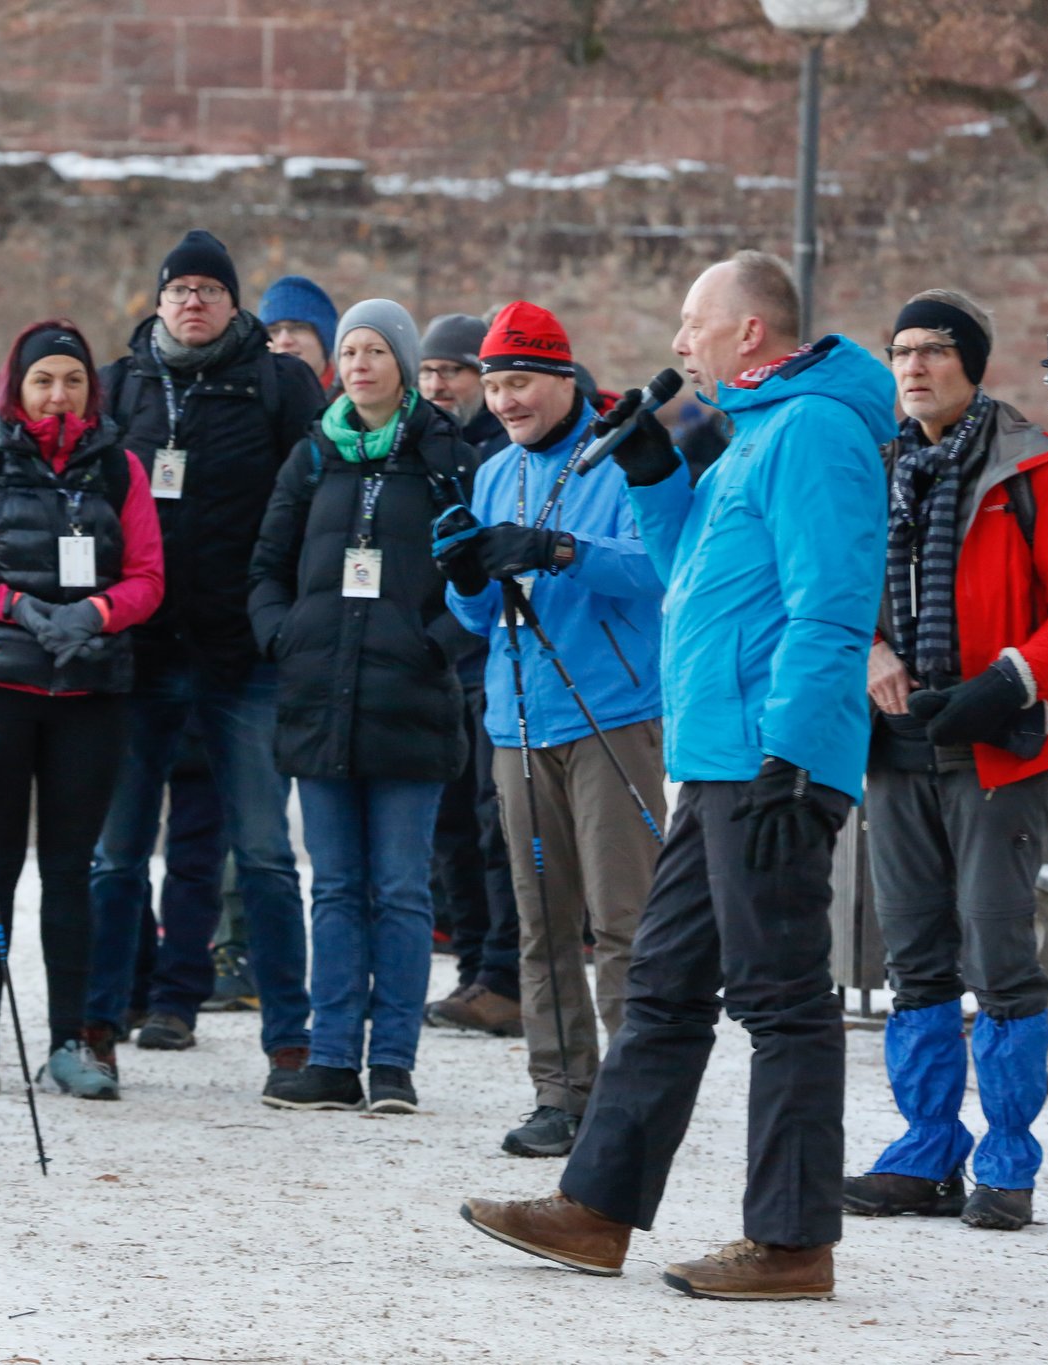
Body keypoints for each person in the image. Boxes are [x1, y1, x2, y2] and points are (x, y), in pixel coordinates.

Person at [460, 251, 892, 1300]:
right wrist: (655, 478)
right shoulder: (754, 433)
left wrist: (793, 751)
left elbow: (831, 602)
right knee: (661, 990)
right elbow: (686, 573)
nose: (677, 342)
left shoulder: (814, 429)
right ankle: (597, 1207)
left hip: (769, 760)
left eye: (693, 322)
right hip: (716, 759)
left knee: (781, 999)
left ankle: (791, 1242)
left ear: (749, 332)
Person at [843, 290, 1048, 1230]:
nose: (913, 366)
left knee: (999, 952)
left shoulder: (1037, 468)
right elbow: (836, 587)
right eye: (900, 351)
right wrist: (871, 652)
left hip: (999, 745)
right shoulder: (876, 468)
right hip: (895, 744)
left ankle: (1007, 1159)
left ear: (972, 362)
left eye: (934, 349)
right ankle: (926, 1150)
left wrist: (1007, 680)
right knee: (915, 954)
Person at [87, 229, 327, 1102]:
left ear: (234, 303)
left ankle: (290, 1039)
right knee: (115, 856)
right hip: (138, 654)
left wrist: (280, 622)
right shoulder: (119, 384)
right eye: (180, 288)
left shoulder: (280, 384)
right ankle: (95, 1028)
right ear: (158, 301)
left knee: (264, 855)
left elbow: (312, 507)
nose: (194, 301)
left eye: (210, 289)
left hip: (241, 657)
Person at [435, 301, 666, 1157]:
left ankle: (636, 1101)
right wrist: (464, 572)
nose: (506, 400)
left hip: (612, 716)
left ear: (564, 378)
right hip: (517, 723)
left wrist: (560, 550)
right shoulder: (495, 470)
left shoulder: (620, 454)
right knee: (540, 922)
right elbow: (475, 617)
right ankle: (561, 1092)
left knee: (622, 919)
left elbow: (657, 568)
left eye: (522, 382)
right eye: (495, 384)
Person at [248, 299, 471, 1113]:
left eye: (376, 351)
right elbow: (267, 563)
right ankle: (334, 1058)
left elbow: (476, 575)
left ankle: (394, 1064)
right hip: (321, 697)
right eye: (349, 352)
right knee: (336, 886)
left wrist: (433, 644)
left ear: (403, 364)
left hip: (410, 700)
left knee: (401, 890)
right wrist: (283, 634)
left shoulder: (446, 455)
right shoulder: (313, 454)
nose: (360, 365)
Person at [0, 320, 165, 1101]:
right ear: (18, 387)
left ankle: (69, 1041)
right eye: (43, 380)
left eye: (72, 380)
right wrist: (16, 605)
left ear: (91, 390)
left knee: (71, 869)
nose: (58, 394)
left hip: (89, 689)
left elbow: (147, 575)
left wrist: (95, 612)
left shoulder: (120, 467)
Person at [416, 309, 522, 1037]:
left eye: (453, 370)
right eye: (428, 370)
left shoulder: (503, 455)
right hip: (439, 662)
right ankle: (474, 968)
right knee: (450, 826)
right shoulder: (420, 448)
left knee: (496, 824)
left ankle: (505, 975)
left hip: (488, 661)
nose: (438, 384)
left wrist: (443, 638)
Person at [417, 312, 506, 449]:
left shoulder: (515, 447)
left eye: (449, 370)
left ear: (484, 378)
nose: (435, 386)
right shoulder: (406, 442)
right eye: (426, 370)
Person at [260, 274, 338, 389]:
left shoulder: (356, 399)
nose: (283, 340)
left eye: (298, 328)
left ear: (325, 339)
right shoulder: (243, 397)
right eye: (273, 330)